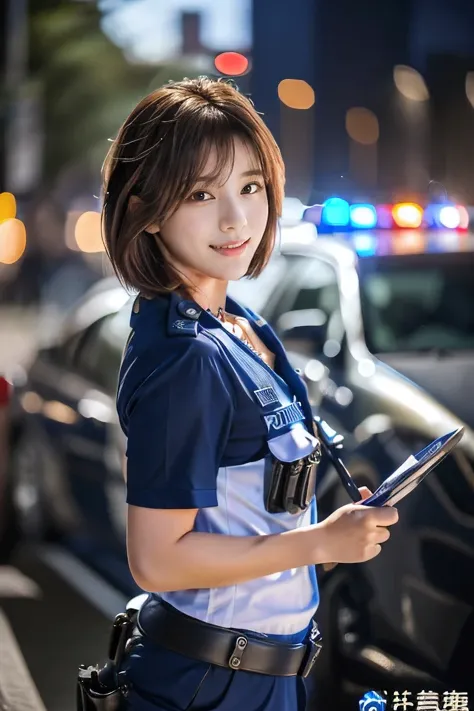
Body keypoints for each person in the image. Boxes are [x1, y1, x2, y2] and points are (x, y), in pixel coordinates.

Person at [101, 76, 399, 711]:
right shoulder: (186, 356)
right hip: (209, 681)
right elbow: (156, 559)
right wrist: (320, 544)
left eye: (250, 186)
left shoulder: (239, 326)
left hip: (261, 672)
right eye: (201, 193)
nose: (235, 218)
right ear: (147, 209)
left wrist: (331, 525)